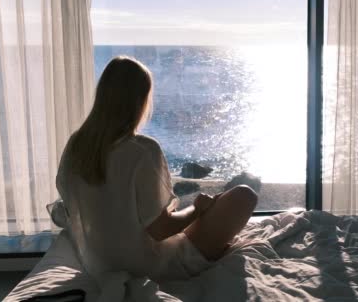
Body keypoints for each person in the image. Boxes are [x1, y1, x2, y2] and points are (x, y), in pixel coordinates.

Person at [55, 56, 257, 281]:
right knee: (243, 195)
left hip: (98, 265)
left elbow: (68, 211)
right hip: (150, 267)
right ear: (140, 100)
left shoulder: (76, 145)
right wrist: (197, 209)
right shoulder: (142, 150)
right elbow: (160, 230)